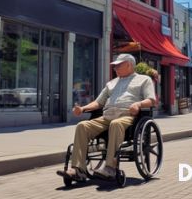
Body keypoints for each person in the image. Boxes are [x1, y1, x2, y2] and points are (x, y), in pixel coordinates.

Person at [56, 53, 156, 181]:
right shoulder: (111, 83)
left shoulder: (144, 80)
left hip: (128, 116)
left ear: (129, 65)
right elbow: (99, 102)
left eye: (118, 65)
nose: (115, 68)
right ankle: (78, 169)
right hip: (107, 116)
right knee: (82, 126)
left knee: (116, 123)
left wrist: (138, 104)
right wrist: (83, 108)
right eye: (114, 66)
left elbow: (151, 100)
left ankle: (110, 168)